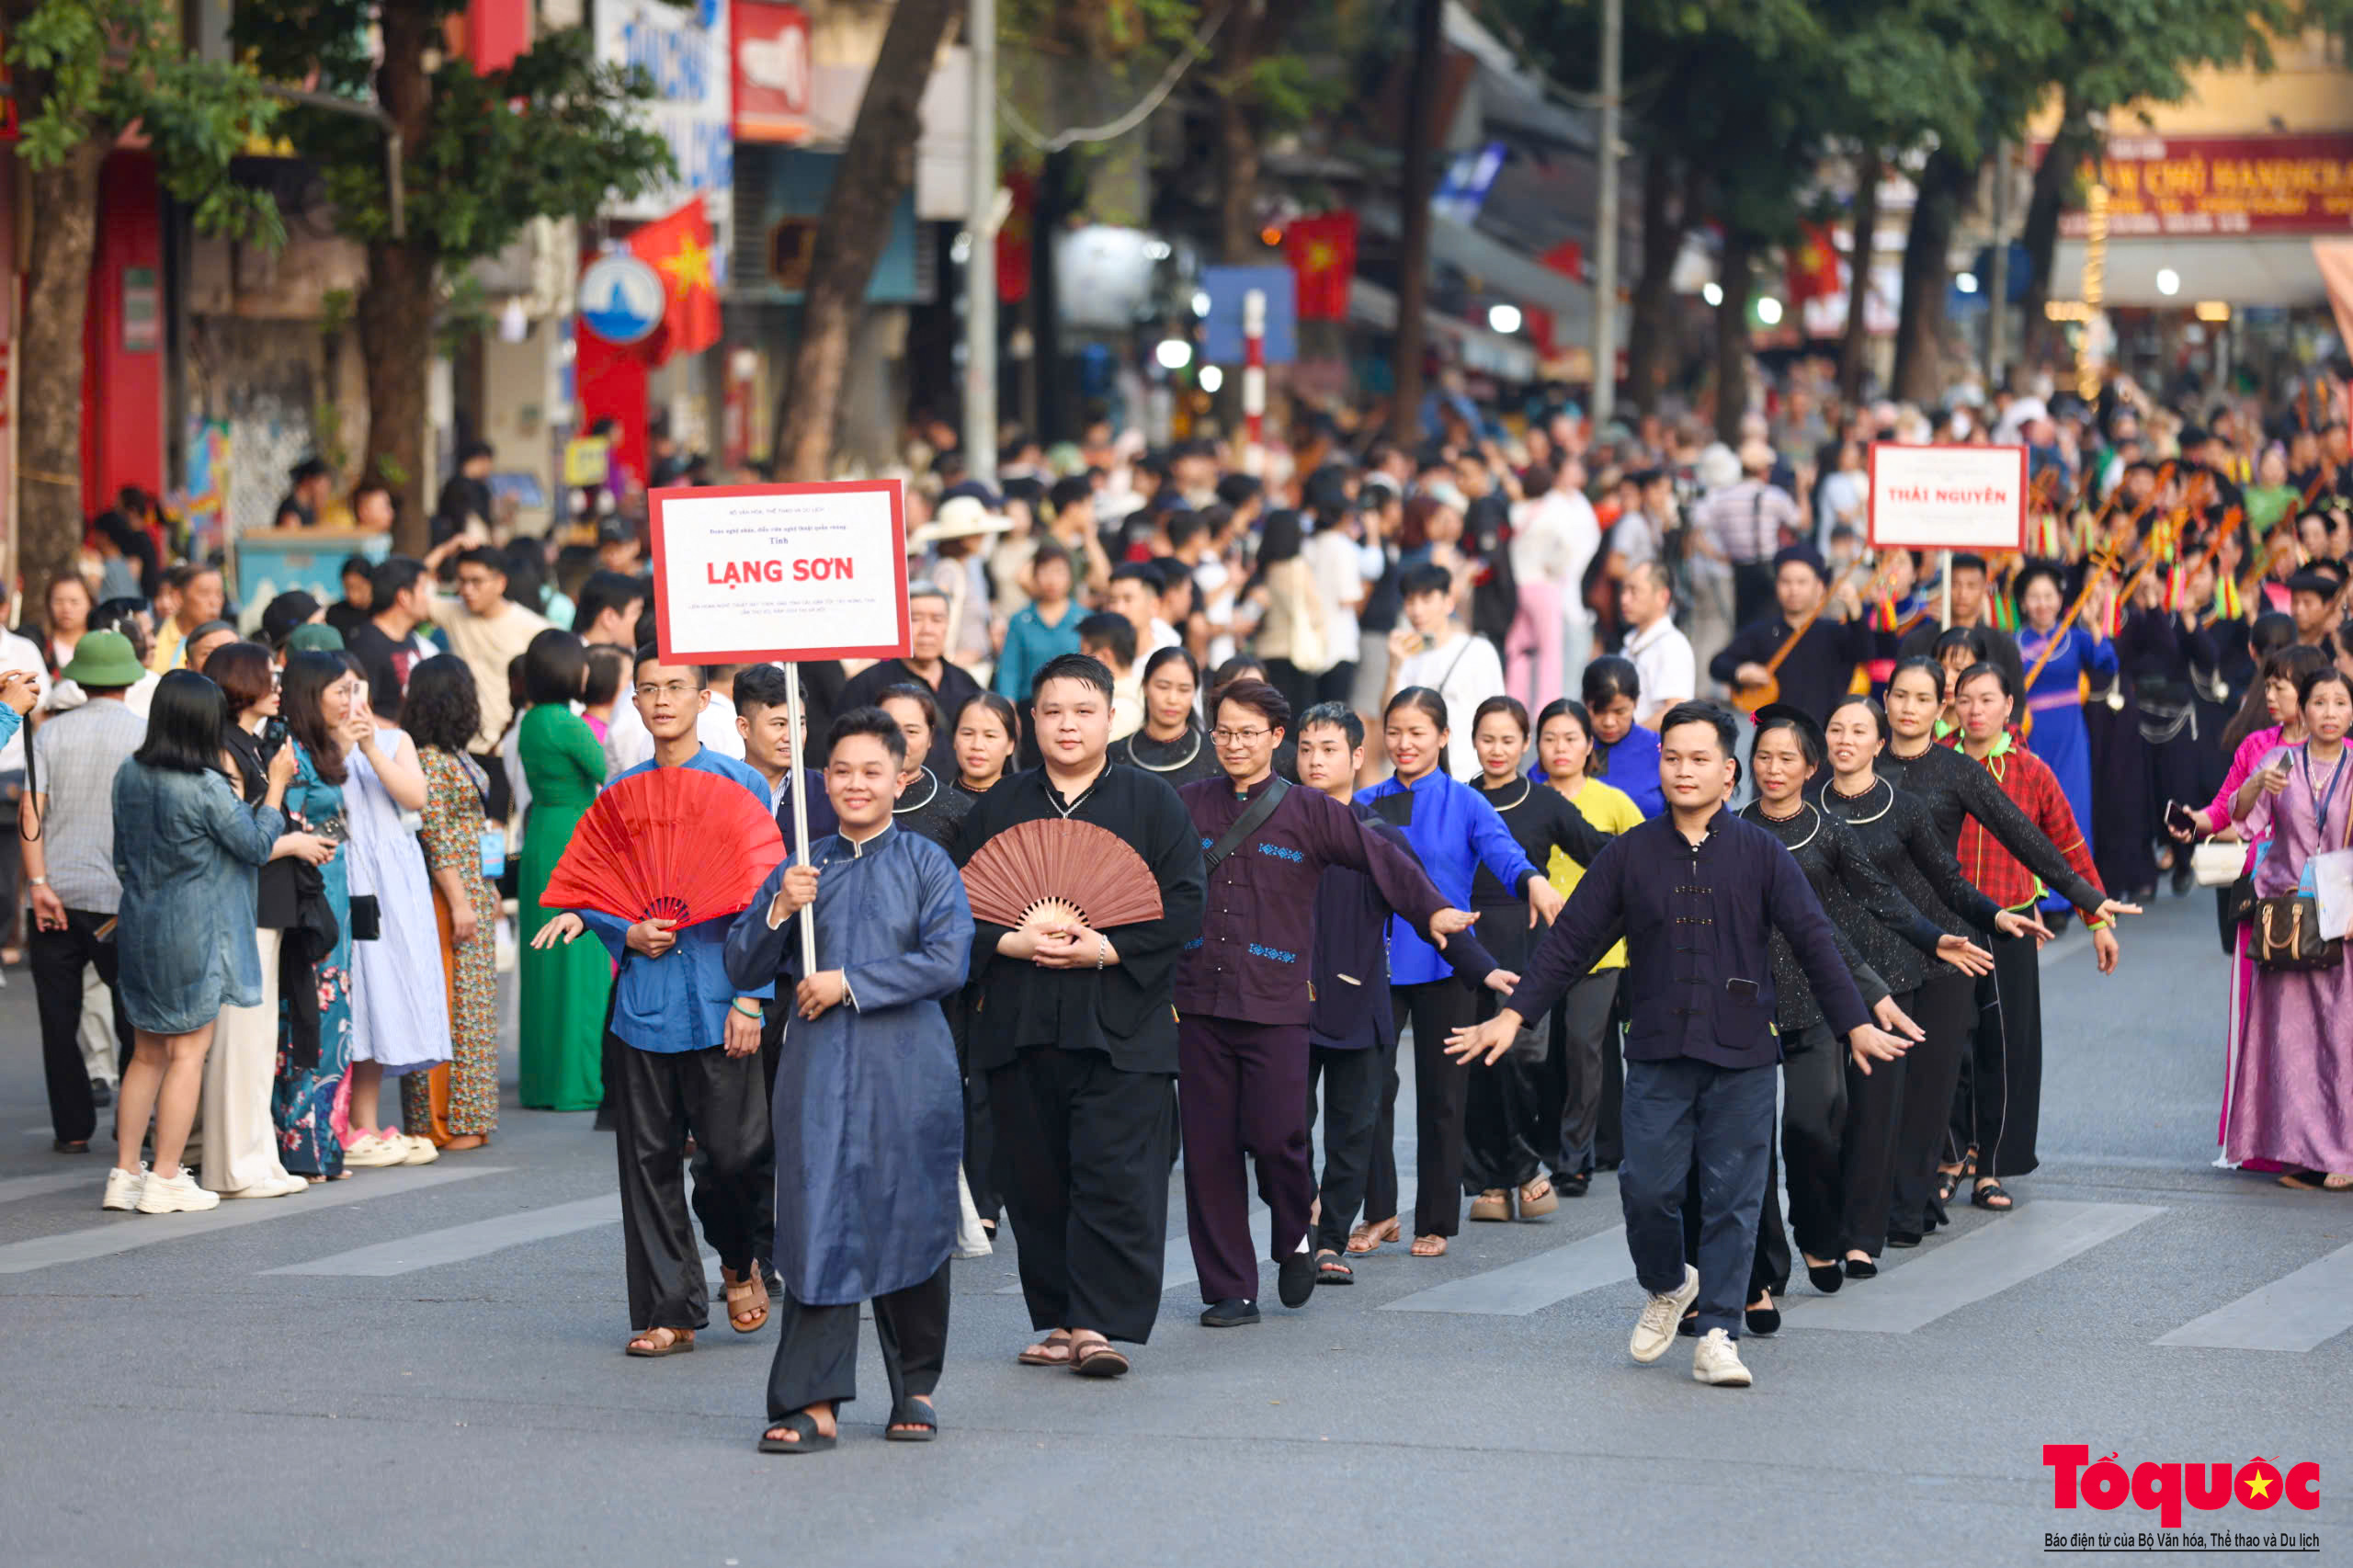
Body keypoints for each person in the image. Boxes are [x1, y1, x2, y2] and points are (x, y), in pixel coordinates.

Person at [1445, 702, 1909, 1391]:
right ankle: (1668, 1282)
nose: (1683, 771)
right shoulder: (1632, 853)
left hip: (1745, 1052)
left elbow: (1814, 939)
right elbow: (1571, 942)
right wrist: (1514, 1017)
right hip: (1659, 1048)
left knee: (1734, 1196)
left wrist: (1855, 1022)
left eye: (1699, 760)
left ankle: (1719, 1331)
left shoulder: (1762, 854)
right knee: (1646, 1188)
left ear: (1728, 773)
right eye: (1672, 758)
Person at [1174, 680, 1479, 1325]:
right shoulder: (1186, 804)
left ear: (1275, 739)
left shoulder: (1309, 811)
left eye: (1248, 733)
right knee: (1207, 1151)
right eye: (1224, 732)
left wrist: (1433, 914)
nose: (1234, 744)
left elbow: (1383, 859)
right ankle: (1230, 1287)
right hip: (1199, 1000)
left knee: (1282, 1137)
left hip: (1279, 1004)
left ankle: (1295, 1235)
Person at [725, 709, 975, 1451]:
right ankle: (813, 1400)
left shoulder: (927, 864)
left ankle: (916, 1388)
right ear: (822, 778)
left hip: (908, 1070)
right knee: (817, 1219)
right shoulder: (802, 867)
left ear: (901, 779)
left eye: (873, 772)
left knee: (909, 1213)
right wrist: (777, 907)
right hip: (819, 1069)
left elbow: (947, 962)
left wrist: (848, 982)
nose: (856, 785)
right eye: (842, 771)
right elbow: (742, 965)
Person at [949, 653, 1205, 1378]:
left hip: (1121, 1024)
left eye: (1084, 711)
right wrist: (1010, 938)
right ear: (1031, 720)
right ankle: (1055, 1317)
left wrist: (1107, 947)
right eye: (1054, 711)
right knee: (1036, 1178)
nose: (1068, 724)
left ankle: (1099, 1323)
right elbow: (954, 915)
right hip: (1021, 1023)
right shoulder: (998, 810)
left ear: (1110, 717)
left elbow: (1186, 904)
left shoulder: (1153, 805)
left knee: (1116, 1174)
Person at [532, 651, 775, 1356]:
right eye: (649, 690)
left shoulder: (742, 785)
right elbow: (598, 893)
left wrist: (753, 999)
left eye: (676, 688)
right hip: (645, 1001)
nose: (662, 700)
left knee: (735, 1157)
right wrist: (624, 930)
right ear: (634, 703)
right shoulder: (619, 796)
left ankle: (736, 1257)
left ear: (705, 700)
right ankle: (670, 1310)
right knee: (648, 1160)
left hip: (726, 996)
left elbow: (767, 907)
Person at [1728, 708, 1950, 1320]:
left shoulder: (1829, 833)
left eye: (1786, 758)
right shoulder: (1732, 831)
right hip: (1744, 1004)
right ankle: (1763, 1270)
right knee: (1748, 1144)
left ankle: (1818, 1232)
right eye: (1763, 757)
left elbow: (1881, 903)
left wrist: (1937, 939)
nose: (1773, 769)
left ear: (1810, 768)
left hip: (1814, 1001)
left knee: (1812, 1125)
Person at [1819, 693, 2047, 1246]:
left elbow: (1968, 869)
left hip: (1935, 949)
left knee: (1926, 1087)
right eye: (1900, 695)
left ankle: (1906, 1204)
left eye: (1924, 698)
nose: (1909, 707)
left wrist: (2085, 905)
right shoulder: (1808, 804)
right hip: (1837, 961)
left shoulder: (1936, 784)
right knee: (1839, 1105)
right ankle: (1858, 1214)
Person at [1293, 702, 1503, 1285]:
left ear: (1358, 757)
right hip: (1283, 1003)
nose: (1315, 760)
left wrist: (1483, 970)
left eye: (1329, 749)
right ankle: (1303, 1218)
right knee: (1284, 1127)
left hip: (1359, 1002)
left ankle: (1332, 1236)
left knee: (1352, 1125)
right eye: (1307, 748)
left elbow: (1428, 908)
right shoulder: (1275, 825)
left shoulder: (1377, 833)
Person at [1351, 687, 1565, 1257]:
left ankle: (1435, 1220)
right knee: (1370, 1091)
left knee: (1444, 1097)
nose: (1403, 743)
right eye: (1394, 731)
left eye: (1417, 732)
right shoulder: (1365, 800)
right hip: (1379, 964)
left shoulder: (1466, 802)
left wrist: (1535, 883)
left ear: (1443, 739)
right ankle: (1378, 1214)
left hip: (1448, 965)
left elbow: (1504, 854)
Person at [1942, 662, 2130, 1210]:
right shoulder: (1937, 764)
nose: (1975, 710)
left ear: (2008, 706)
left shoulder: (2030, 771)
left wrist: (2097, 919)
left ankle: (1991, 1166)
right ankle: (1948, 1155)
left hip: (2012, 922)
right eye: (1965, 699)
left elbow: (2067, 848)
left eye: (1987, 699)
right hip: (1946, 924)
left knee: (2007, 1047)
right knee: (1949, 1047)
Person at [103, 671, 290, 1214]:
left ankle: (125, 1172)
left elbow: (121, 854)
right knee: (188, 1054)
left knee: (146, 1055)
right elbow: (255, 844)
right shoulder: (205, 784)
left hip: (140, 920)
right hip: (195, 928)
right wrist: (275, 784)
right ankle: (165, 1176)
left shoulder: (129, 773)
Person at [1461, 697, 1618, 1221]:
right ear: (1472, 740)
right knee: (1473, 1070)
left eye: (1508, 740)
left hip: (1529, 953)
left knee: (1520, 1064)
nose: (1497, 750)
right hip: (1464, 950)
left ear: (1524, 744)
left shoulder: (1545, 803)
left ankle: (1519, 1169)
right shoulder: (1459, 799)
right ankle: (1498, 1180)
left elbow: (1602, 855)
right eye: (1487, 739)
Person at [203, 642, 334, 1197]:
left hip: (266, 903)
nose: (277, 685)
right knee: (241, 1037)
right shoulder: (227, 749)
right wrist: (289, 825)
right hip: (244, 902)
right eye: (267, 676)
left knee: (259, 1039)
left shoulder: (251, 744)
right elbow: (243, 839)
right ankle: (236, 1164)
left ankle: (257, 1157)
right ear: (242, 684)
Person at [2228, 666, 2353, 1186]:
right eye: (2319, 703)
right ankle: (2301, 1151)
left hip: (2342, 915)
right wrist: (2257, 782)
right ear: (2302, 709)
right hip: (2288, 917)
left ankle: (2343, 1154)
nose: (2329, 713)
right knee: (2290, 1040)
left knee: (2342, 1035)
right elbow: (2242, 819)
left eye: (2340, 703)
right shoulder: (2278, 761)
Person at [22, 631, 146, 1153]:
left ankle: (72, 1129)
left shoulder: (49, 734)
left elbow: (33, 812)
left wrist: (38, 884)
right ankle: (134, 1121)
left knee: (58, 1017)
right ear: (127, 680)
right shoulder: (145, 734)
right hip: (121, 899)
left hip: (56, 895)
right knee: (133, 1016)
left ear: (81, 682)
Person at [324, 651, 448, 1166]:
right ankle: (345, 1123)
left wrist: (371, 747)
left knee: (385, 991)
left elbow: (415, 796)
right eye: (341, 690)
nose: (354, 700)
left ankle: (366, 1124)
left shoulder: (395, 740)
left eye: (359, 687)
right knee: (354, 994)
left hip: (394, 884)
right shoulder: (315, 750)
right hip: (347, 877)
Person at [384, 656, 502, 1153]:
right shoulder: (430, 758)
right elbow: (435, 834)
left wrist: (487, 885)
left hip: (471, 884)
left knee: (472, 1005)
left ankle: (467, 1115)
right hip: (447, 890)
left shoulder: (451, 753)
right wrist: (460, 899)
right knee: (451, 1003)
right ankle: (442, 1119)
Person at [1530, 699, 1646, 1191]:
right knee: (1538, 1054)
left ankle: (1576, 1157)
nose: (1560, 748)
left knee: (1584, 1048)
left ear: (1589, 745)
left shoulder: (1613, 801)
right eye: (1550, 738)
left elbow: (1646, 866)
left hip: (1600, 952)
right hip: (1534, 948)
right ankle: (1545, 1148)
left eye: (1571, 738)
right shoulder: (1526, 798)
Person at [269, 652, 363, 1181]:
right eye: (340, 692)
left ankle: (325, 1144)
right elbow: (293, 821)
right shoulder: (292, 755)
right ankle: (302, 1148)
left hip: (333, 889)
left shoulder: (318, 748)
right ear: (312, 695)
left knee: (333, 1019)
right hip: (311, 894)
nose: (351, 702)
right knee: (310, 1016)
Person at [516, 629, 610, 1111]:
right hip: (575, 837)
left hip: (540, 837)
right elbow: (607, 772)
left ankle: (542, 1078)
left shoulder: (531, 721)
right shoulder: (568, 723)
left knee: (544, 965)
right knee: (580, 965)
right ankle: (579, 1081)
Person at [428, 546, 549, 822]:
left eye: (476, 581)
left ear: (500, 582)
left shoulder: (532, 628)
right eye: (461, 581)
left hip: (508, 750)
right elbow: (408, 592)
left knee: (501, 838)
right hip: (461, 749)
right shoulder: (453, 612)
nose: (467, 590)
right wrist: (451, 544)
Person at [2012, 560, 2118, 866]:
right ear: (2023, 602)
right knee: (2034, 811)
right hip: (2032, 738)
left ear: (2060, 599)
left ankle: (2073, 890)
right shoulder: (2013, 643)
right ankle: (2041, 895)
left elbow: (2107, 664)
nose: (2042, 603)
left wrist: (2094, 624)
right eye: (2034, 596)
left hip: (2071, 737)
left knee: (2073, 808)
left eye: (2049, 596)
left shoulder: (2075, 637)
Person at [1708, 544, 1870, 722]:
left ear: (1820, 587)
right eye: (1786, 582)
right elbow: (1718, 664)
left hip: (1823, 735)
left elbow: (1865, 650)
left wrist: (1855, 611)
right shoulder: (1762, 631)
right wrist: (1740, 672)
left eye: (1802, 582)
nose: (1793, 590)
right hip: (1774, 736)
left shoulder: (1834, 631)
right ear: (1776, 585)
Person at [836, 585, 983, 778]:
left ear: (948, 625)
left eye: (937, 620)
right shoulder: (867, 684)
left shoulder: (965, 683)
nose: (927, 630)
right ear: (899, 624)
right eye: (915, 619)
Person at [1383, 565, 1507, 782]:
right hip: (1416, 778)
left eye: (1426, 599)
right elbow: (1389, 720)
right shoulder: (1405, 656)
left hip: (1468, 774)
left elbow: (1497, 717)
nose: (1417, 610)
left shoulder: (1478, 651)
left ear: (1448, 601)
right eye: (1410, 601)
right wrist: (1394, 667)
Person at [1242, 511, 1330, 723]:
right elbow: (1315, 613)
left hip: (1265, 653)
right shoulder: (1298, 568)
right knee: (1296, 723)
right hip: (1294, 655)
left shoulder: (1263, 569)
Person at [1895, 551, 2027, 694]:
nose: (1962, 593)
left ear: (1984, 589)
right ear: (1944, 587)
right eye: (1955, 584)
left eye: (1971, 586)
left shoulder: (2003, 645)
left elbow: (2016, 702)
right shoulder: (1917, 642)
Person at [877, 683, 972, 849]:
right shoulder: (848, 799)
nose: (899, 741)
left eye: (912, 731)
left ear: (930, 737)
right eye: (889, 729)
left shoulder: (960, 809)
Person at [1109, 646, 1218, 786]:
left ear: (1194, 692)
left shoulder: (1215, 755)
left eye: (1184, 690)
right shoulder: (1115, 756)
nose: (1172, 699)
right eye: (1163, 687)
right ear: (1145, 686)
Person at [995, 543, 1084, 707]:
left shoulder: (1084, 618)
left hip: (1075, 704)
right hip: (1030, 706)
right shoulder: (1020, 620)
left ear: (1070, 577)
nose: (1052, 580)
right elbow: (1009, 670)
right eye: (1044, 571)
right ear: (1034, 576)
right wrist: (1008, 710)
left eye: (1059, 572)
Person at [343, 556, 439, 696]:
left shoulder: (410, 638)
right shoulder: (366, 646)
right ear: (404, 596)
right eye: (424, 590)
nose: (428, 598)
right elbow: (359, 708)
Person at [1583, 656, 1664, 816]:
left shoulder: (1660, 749)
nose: (1609, 722)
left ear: (1636, 702)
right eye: (1599, 711)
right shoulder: (1569, 748)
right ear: (1585, 702)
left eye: (1620, 712)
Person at [1618, 562, 1696, 727]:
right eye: (1624, 590)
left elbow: (1676, 709)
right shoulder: (1630, 642)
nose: (1624, 599)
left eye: (1634, 591)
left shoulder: (1672, 645)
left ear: (1662, 596)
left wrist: (1629, 740)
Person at [145, 563, 226, 675]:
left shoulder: (230, 642)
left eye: (219, 593)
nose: (214, 602)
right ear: (178, 597)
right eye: (204, 593)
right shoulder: (152, 635)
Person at [951, 692, 1018, 797]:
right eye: (968, 734)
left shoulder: (1025, 803)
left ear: (1010, 745)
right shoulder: (936, 799)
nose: (977, 746)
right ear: (954, 739)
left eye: (990, 736)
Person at [274, 457, 333, 531]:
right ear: (308, 480)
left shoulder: (308, 508)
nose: (324, 489)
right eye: (322, 484)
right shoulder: (291, 511)